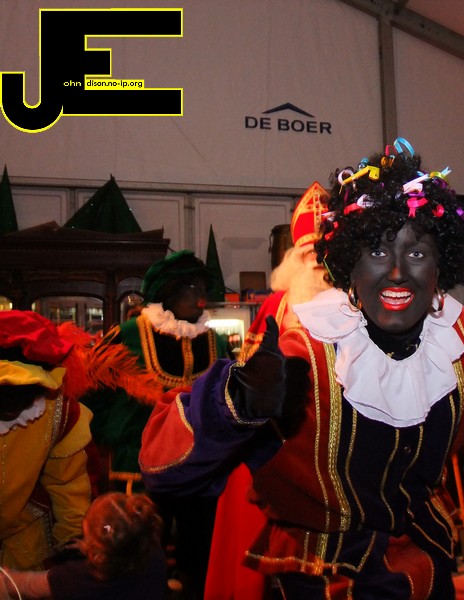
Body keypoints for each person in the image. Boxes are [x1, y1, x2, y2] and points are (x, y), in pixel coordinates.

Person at [139, 139, 464, 599]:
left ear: (441, 267)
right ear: (347, 266)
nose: (396, 272)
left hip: (422, 574)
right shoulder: (307, 341)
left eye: (417, 254)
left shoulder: (463, 338)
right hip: (313, 580)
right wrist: (234, 402)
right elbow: (162, 464)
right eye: (376, 252)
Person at [204, 181, 332, 600]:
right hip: (279, 440)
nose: (318, 265)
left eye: (324, 255)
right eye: (309, 254)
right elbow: (249, 380)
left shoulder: (356, 303)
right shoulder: (275, 307)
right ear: (295, 258)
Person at [82, 250, 230, 599]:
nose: (201, 296)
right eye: (192, 287)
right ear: (169, 292)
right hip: (139, 468)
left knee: (200, 552)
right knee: (138, 553)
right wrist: (114, 433)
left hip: (199, 470)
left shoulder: (215, 341)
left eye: (203, 287)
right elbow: (90, 387)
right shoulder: (129, 335)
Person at [0, 311, 97, 571]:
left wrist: (73, 542)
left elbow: (69, 483)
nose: (12, 403)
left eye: (22, 390)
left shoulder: (61, 414)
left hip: (25, 542)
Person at [0, 492, 167, 599]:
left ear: (99, 555)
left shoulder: (77, 577)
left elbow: (25, 585)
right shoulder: (155, 554)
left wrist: (5, 575)